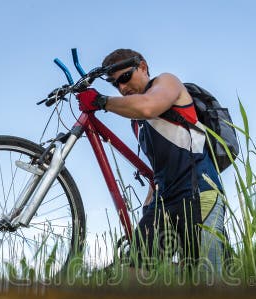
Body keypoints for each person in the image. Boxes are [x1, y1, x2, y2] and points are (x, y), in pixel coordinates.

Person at [77, 48, 226, 275]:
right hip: (163, 202)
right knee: (134, 274)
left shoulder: (167, 82)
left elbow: (148, 106)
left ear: (143, 67)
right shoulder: (136, 122)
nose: (122, 87)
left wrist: (101, 101)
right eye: (115, 84)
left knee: (207, 280)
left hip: (199, 193)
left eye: (125, 78)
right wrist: (149, 198)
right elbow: (162, 163)